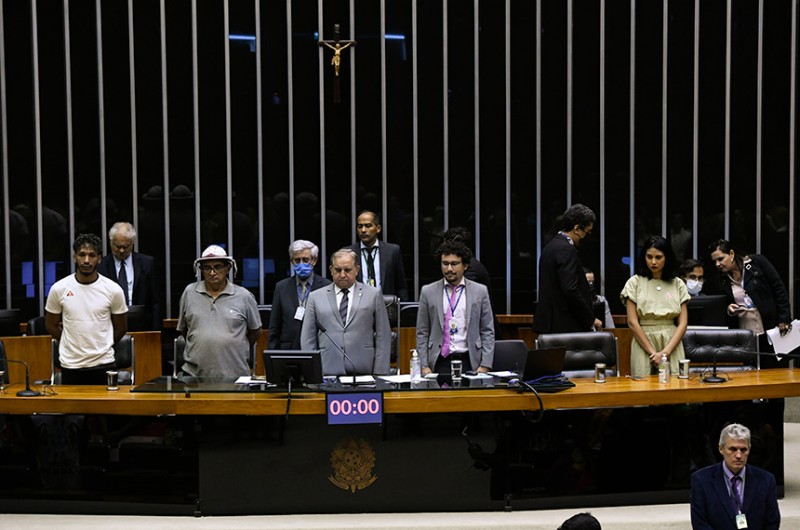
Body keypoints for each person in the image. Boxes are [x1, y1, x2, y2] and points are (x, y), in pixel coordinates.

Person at [45, 234, 128, 384]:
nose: (86, 260)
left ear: (99, 258)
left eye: (92, 255)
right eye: (82, 255)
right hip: (71, 365)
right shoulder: (59, 288)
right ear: (74, 257)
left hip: (103, 363)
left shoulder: (113, 289)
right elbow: (50, 325)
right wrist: (70, 341)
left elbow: (121, 328)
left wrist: (103, 344)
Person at [300, 248, 391, 375]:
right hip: (327, 370)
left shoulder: (373, 294)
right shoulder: (315, 297)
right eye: (338, 270)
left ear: (357, 270)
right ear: (331, 270)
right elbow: (307, 338)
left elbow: (383, 336)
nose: (342, 275)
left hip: (364, 370)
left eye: (347, 270)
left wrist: (380, 373)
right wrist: (312, 373)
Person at [177, 245, 262, 378]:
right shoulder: (189, 292)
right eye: (207, 268)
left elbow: (255, 331)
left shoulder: (244, 296)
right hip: (195, 374)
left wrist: (233, 347)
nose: (212, 273)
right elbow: (184, 329)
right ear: (201, 270)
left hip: (235, 373)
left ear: (228, 268)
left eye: (218, 267)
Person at [416, 240, 495, 375]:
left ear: (465, 266)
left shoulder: (480, 291)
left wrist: (485, 365)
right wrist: (423, 365)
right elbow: (422, 332)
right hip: (439, 361)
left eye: (454, 264)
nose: (449, 269)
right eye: (445, 263)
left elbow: (487, 330)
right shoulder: (428, 291)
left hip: (470, 361)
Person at [709, 239, 791, 368]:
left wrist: (784, 318)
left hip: (769, 326)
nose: (717, 264)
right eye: (714, 261)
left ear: (731, 254)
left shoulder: (756, 262)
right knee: (749, 368)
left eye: (720, 259)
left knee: (773, 367)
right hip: (744, 332)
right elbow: (720, 303)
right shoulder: (722, 278)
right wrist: (729, 308)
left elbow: (779, 289)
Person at [620, 235, 690, 378]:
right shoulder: (634, 282)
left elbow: (683, 323)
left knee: (674, 384)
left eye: (658, 257)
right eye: (649, 257)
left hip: (671, 342)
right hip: (643, 340)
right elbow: (632, 322)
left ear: (667, 258)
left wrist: (665, 353)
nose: (653, 262)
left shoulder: (678, 283)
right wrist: (654, 353)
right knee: (643, 385)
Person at [690, 423, 780, 530]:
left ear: (749, 449)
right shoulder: (701, 480)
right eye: (732, 449)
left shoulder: (766, 480)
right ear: (721, 449)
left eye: (743, 450)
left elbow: (772, 522)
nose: (738, 455)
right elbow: (699, 523)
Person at [534, 204, 602, 333]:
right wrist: (590, 319)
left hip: (550, 323)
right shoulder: (566, 249)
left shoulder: (550, 247)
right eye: (586, 232)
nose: (586, 237)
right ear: (576, 229)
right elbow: (570, 289)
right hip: (564, 325)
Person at [98, 221, 162, 330]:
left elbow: (155, 301)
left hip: (142, 325)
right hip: (110, 325)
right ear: (111, 242)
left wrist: (156, 331)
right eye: (117, 246)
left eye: (125, 246)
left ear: (132, 243)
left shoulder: (147, 263)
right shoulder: (101, 266)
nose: (121, 250)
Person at [268, 240, 331, 350]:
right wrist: (272, 354)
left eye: (305, 260)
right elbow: (275, 326)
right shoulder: (281, 287)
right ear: (292, 262)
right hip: (288, 350)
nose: (301, 264)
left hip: (317, 350)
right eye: (297, 260)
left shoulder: (326, 286)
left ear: (314, 260)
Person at [347, 210, 410, 301]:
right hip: (358, 305)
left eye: (368, 226)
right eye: (360, 226)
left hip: (385, 304)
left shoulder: (392, 251)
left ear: (378, 228)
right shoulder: (349, 252)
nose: (363, 230)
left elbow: (401, 286)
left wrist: (402, 307)